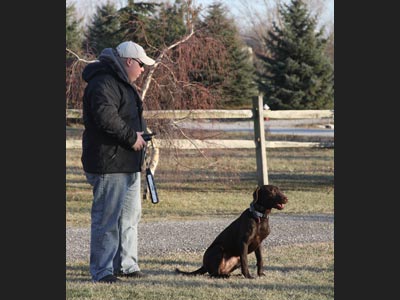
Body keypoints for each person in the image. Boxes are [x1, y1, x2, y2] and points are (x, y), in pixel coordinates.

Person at [81, 41, 155, 283]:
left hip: (128, 163)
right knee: (107, 220)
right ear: (129, 62)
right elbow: (105, 117)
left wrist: (141, 135)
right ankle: (102, 271)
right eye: (141, 65)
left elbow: (121, 117)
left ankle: (126, 264)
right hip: (109, 164)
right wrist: (131, 137)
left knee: (129, 218)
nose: (143, 70)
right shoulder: (103, 81)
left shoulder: (120, 82)